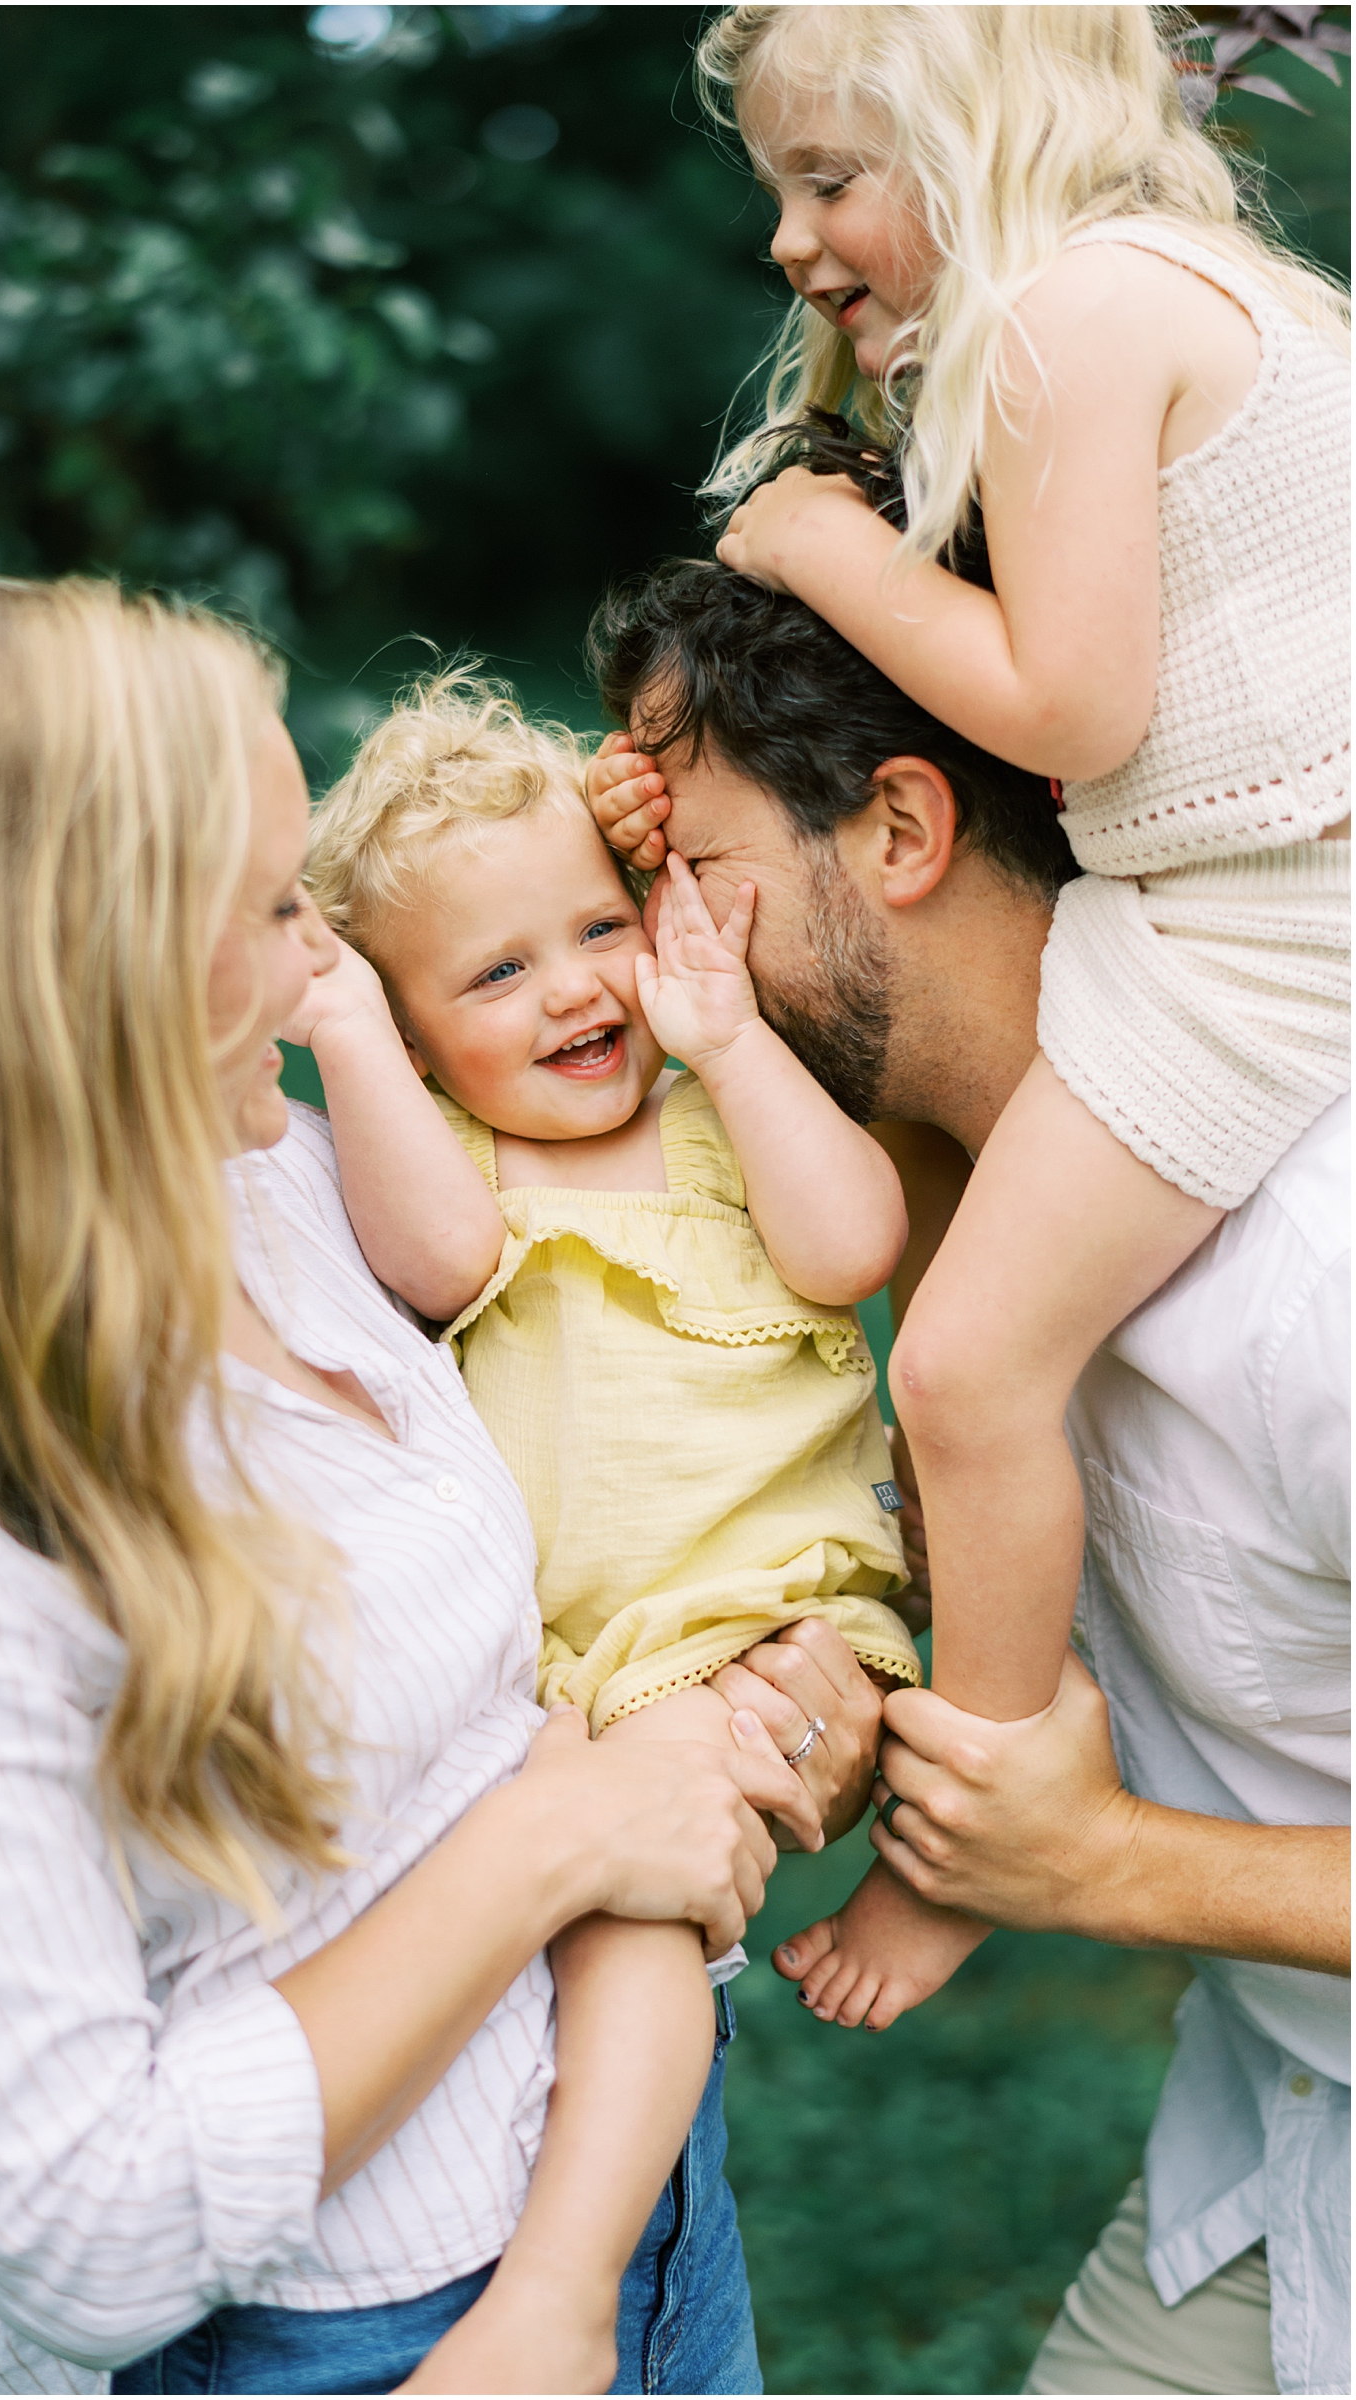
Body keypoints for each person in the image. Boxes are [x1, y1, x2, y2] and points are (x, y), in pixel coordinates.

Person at [0, 575, 882, 2399]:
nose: (317, 967)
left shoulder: (279, 1196)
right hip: (326, 2344)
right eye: (280, 905)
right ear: (90, 949)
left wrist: (765, 1710)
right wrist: (558, 1840)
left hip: (649, 2233)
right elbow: (85, 2230)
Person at [626, 0, 1350, 2030]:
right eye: (777, 188)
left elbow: (1065, 710)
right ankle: (974, 1665)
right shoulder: (1165, 302)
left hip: (1255, 927)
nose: (788, 239)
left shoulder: (1071, 318)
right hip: (1221, 894)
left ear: (966, 138)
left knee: (956, 1373)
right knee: (950, 1183)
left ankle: (982, 1824)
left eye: (827, 178)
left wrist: (815, 544)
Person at [587, 552, 1349, 2398]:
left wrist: (1097, 1862)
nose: (646, 950)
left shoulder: (1318, 1276)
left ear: (905, 830)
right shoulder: (942, 1199)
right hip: (1278, 2141)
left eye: (695, 878)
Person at [276, 669, 918, 2375]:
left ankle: (559, 2292)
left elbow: (855, 1247)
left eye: (593, 929)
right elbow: (433, 1270)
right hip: (577, 1664)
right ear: (415, 1045)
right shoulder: (458, 1172)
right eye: (498, 972)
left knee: (630, 1921)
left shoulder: (718, 1114)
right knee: (565, 1904)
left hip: (765, 1619)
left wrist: (730, 1030)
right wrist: (344, 1036)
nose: (573, 989)